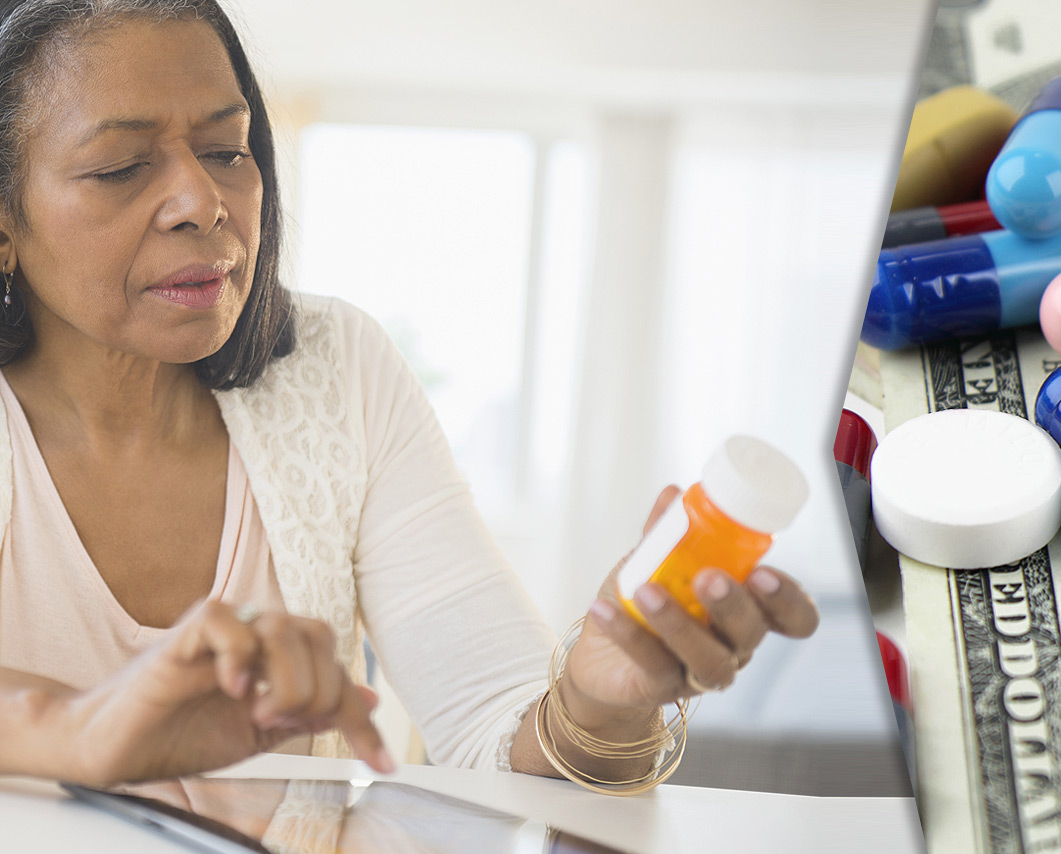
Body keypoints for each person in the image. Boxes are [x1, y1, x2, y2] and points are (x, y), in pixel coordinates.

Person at [0, 0, 818, 790]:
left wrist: (598, 705)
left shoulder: (338, 370)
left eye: (227, 150)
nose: (204, 204)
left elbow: (492, 729)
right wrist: (78, 729)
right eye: (120, 168)